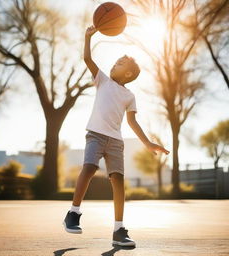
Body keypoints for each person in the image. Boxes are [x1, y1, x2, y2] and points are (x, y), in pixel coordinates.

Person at [63, 25, 170, 247]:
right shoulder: (102, 80)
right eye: (115, 61)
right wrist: (87, 37)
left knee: (118, 180)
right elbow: (86, 58)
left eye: (120, 63)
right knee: (90, 167)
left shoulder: (129, 96)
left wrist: (148, 143)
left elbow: (132, 122)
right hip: (95, 134)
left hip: (115, 141)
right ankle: (73, 213)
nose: (114, 64)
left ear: (129, 74)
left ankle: (118, 230)